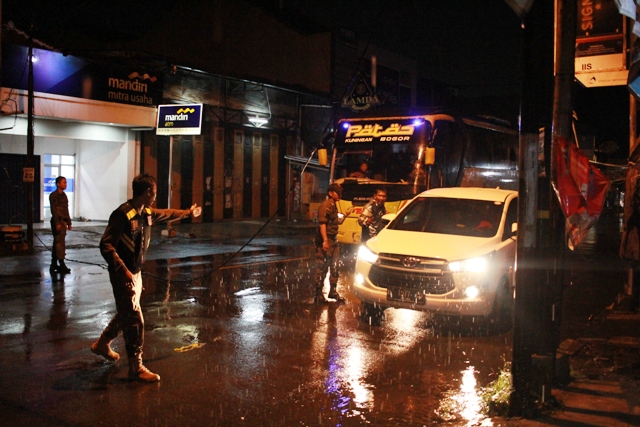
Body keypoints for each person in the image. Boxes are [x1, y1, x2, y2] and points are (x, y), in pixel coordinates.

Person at [91, 174, 202, 382]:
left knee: (126, 312)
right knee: (135, 318)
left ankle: (102, 343)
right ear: (147, 192)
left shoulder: (146, 213)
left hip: (136, 272)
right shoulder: (123, 215)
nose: (155, 197)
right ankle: (136, 366)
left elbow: (167, 214)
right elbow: (106, 245)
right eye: (155, 192)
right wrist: (123, 271)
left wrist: (187, 212)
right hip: (122, 273)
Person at [314, 183, 353, 303]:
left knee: (335, 266)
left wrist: (346, 215)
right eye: (337, 192)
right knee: (322, 267)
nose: (339, 194)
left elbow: (337, 222)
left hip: (334, 240)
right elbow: (322, 224)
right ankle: (318, 294)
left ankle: (333, 291)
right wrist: (325, 241)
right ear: (331, 193)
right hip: (327, 240)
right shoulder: (325, 206)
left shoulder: (333, 205)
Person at [49, 176, 72, 274]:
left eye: (66, 183)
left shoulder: (64, 195)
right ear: (58, 184)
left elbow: (66, 210)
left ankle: (54, 263)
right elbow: (54, 210)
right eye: (63, 183)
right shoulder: (53, 195)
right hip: (57, 221)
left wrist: (69, 222)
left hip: (63, 221)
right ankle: (61, 263)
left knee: (57, 243)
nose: (65, 184)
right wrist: (57, 223)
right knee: (59, 243)